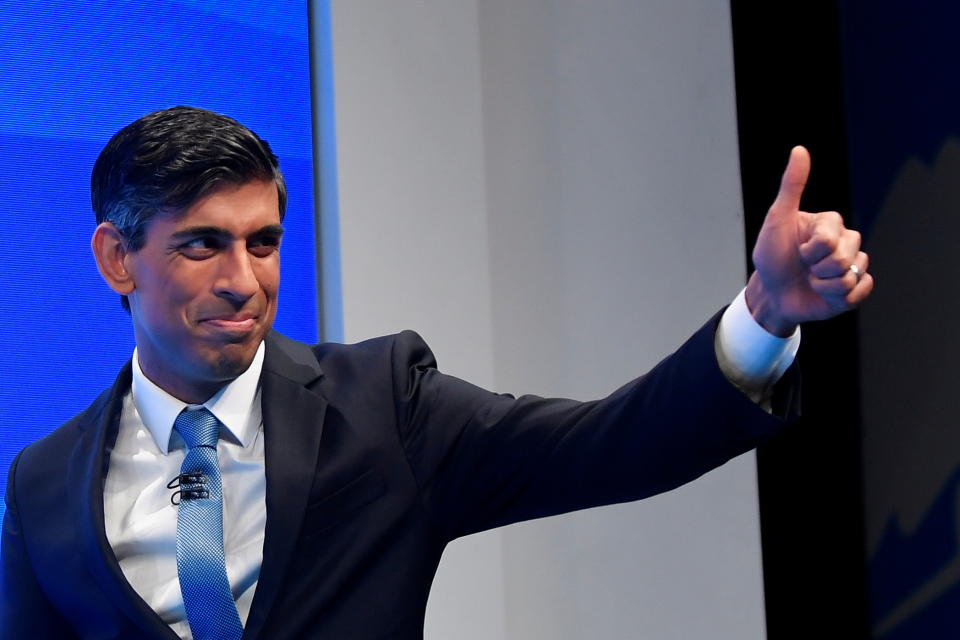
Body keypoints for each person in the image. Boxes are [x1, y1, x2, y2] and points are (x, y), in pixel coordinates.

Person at [0, 106, 872, 639]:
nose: (243, 279)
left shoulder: (383, 407)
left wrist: (765, 312)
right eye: (201, 245)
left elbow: (614, 444)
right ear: (118, 258)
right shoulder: (42, 485)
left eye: (263, 242)